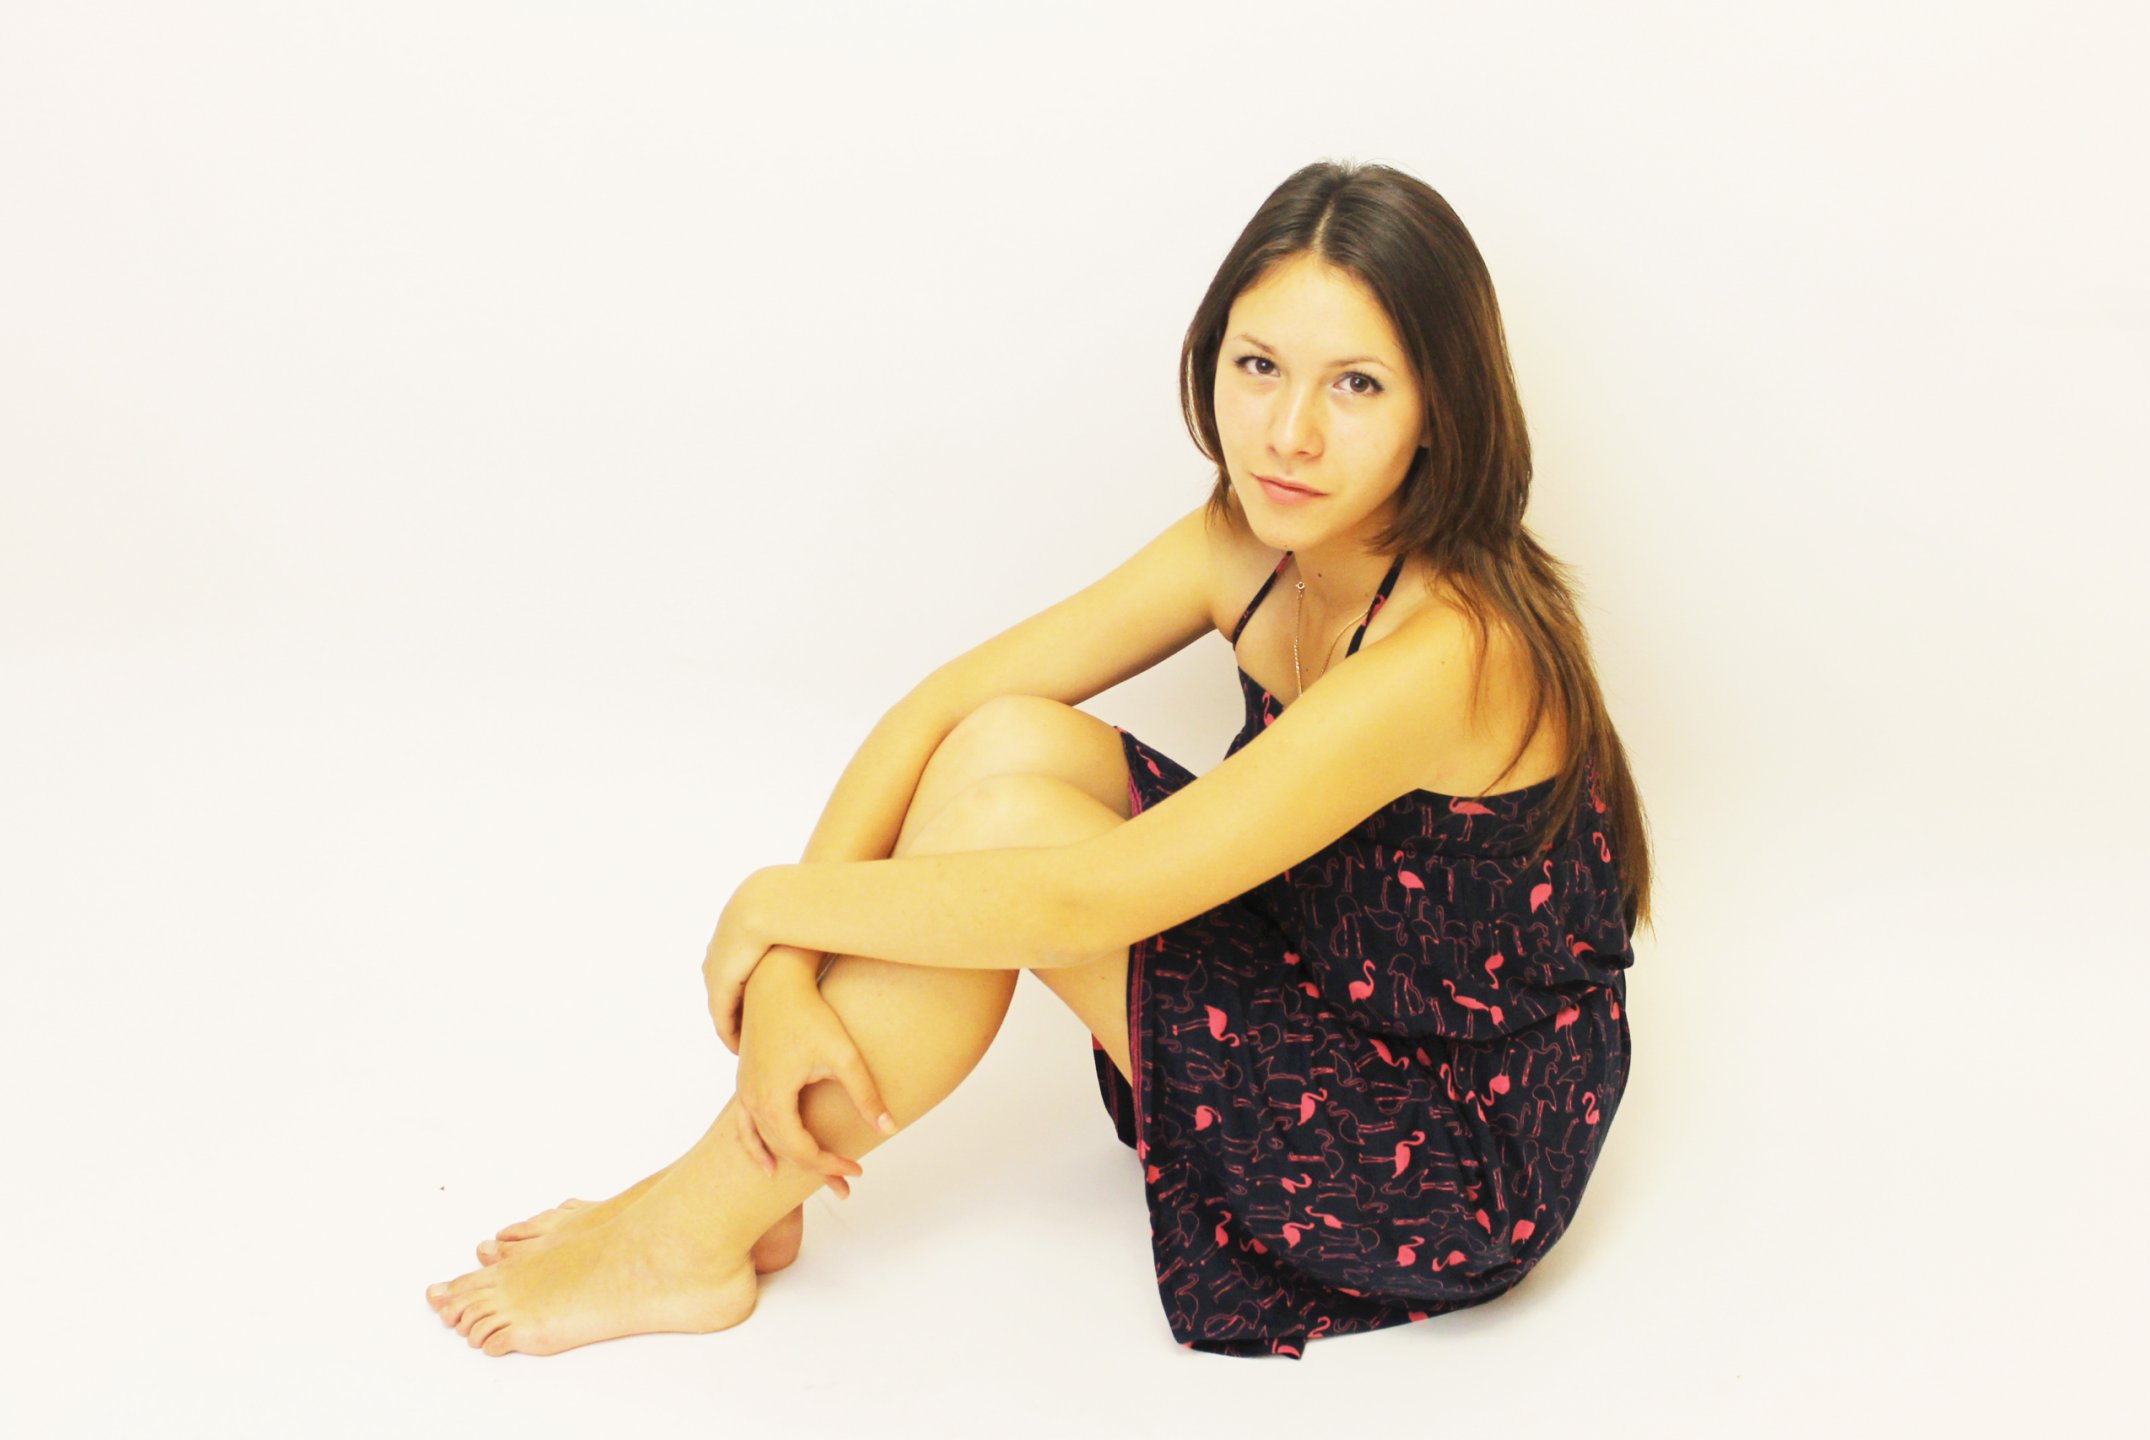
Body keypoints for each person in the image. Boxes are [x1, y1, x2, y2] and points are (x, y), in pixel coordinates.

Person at [425, 159, 1652, 1359]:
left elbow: (1086, 902)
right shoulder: (1253, 542)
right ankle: (748, 1181)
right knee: (1002, 743)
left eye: (1358, 386)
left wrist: (769, 904)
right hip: (1323, 972)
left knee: (1012, 833)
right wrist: (787, 973)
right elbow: (943, 706)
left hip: (1439, 1150)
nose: (1290, 432)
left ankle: (690, 1230)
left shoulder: (1454, 650)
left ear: (1442, 407)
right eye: (1259, 365)